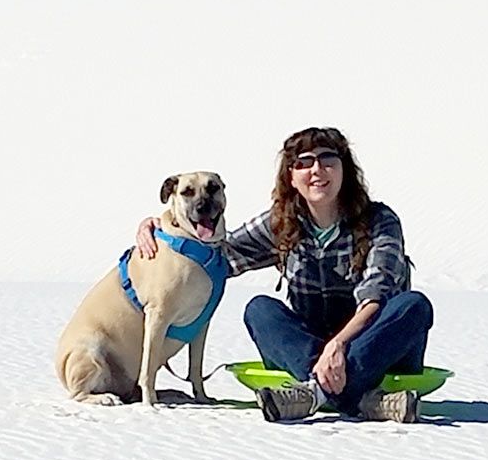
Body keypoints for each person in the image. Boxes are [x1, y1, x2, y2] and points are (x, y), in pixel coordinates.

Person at [136, 126, 433, 423]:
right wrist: (163, 227)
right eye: (304, 162)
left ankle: (313, 395)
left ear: (345, 169)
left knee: (413, 306)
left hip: (375, 349)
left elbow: (375, 295)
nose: (317, 170)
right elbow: (217, 257)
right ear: (291, 176)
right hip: (312, 352)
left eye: (328, 159)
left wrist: (338, 344)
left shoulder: (380, 220)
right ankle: (366, 402)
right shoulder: (281, 224)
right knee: (260, 310)